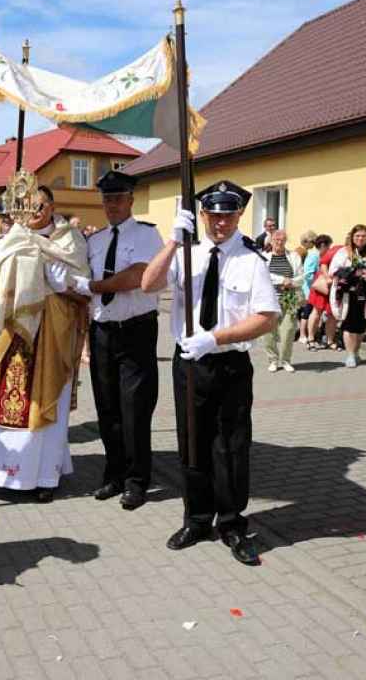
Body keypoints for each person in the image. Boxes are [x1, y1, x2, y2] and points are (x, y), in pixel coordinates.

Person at [141, 181, 278, 565]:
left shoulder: (251, 260)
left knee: (231, 447)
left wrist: (216, 338)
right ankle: (197, 519)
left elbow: (266, 319)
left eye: (227, 215)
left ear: (238, 216)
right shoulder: (186, 254)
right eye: (213, 215)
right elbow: (147, 284)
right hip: (189, 364)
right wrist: (171, 242)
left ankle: (233, 524)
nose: (220, 222)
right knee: (193, 443)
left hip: (230, 365)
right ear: (201, 216)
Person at [0, 185, 90, 503]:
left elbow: (83, 288)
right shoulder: (14, 237)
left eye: (41, 205)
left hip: (53, 331)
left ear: (51, 206)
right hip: (16, 330)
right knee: (11, 400)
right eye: (29, 206)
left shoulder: (69, 240)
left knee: (48, 404)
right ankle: (5, 474)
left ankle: (46, 476)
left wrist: (58, 282)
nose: (35, 212)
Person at [69, 171, 162, 509]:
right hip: (103, 331)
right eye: (107, 198)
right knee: (107, 407)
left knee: (135, 408)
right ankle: (114, 474)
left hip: (135, 329)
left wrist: (94, 287)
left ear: (131, 200)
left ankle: (138, 480)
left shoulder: (148, 235)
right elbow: (78, 285)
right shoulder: (95, 241)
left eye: (118, 198)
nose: (112, 204)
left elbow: (137, 276)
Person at [329, 224, 366, 368]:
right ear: (352, 237)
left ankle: (356, 351)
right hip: (348, 293)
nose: (360, 239)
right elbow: (333, 270)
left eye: (363, 236)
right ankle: (350, 354)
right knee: (348, 322)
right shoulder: (343, 252)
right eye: (357, 236)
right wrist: (351, 272)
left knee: (361, 324)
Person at [263, 230, 303, 372]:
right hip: (269, 300)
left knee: (288, 330)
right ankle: (273, 360)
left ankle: (285, 360)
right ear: (271, 241)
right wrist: (282, 280)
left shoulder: (294, 256)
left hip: (289, 298)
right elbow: (264, 276)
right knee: (268, 332)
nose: (279, 242)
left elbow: (301, 277)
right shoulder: (264, 257)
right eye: (276, 239)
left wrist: (291, 282)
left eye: (282, 240)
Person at [305, 235, 338, 351]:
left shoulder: (331, 254)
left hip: (330, 285)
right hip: (320, 285)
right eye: (329, 245)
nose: (330, 247)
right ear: (324, 245)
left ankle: (330, 340)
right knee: (316, 312)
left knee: (331, 314)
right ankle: (310, 339)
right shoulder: (315, 255)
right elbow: (309, 274)